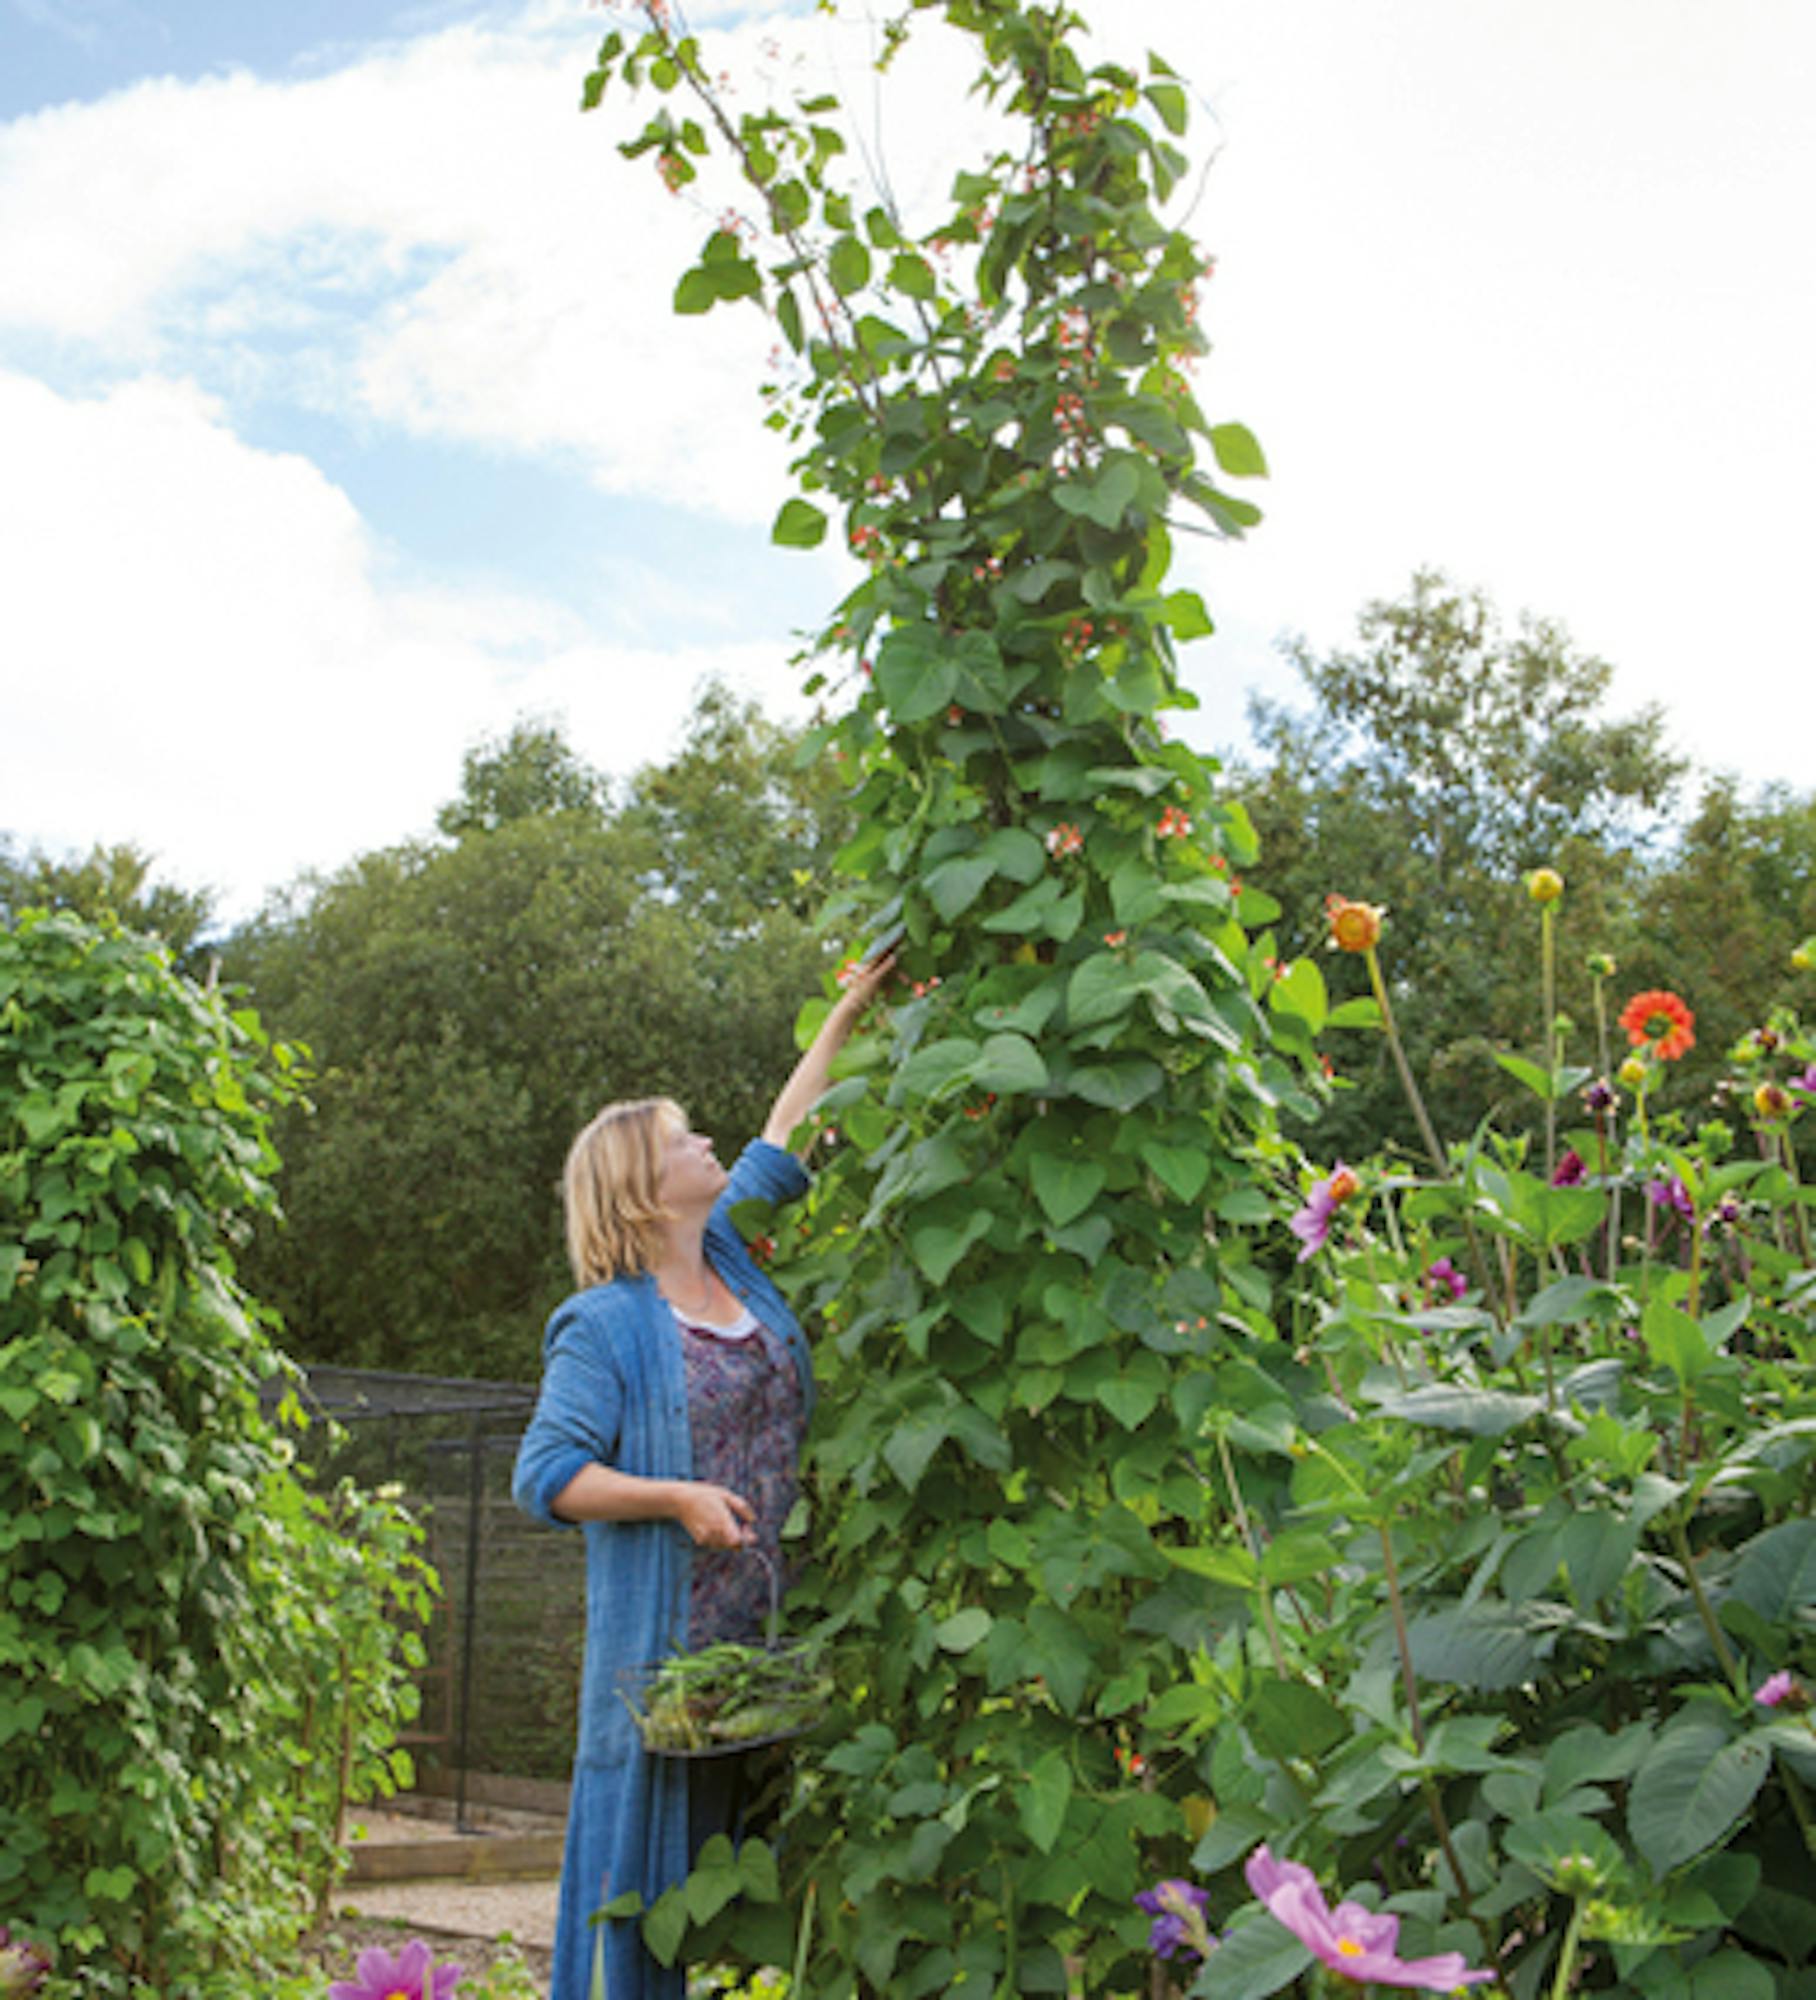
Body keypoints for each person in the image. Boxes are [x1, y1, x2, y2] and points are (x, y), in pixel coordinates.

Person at [512, 956, 891, 2000]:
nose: (708, 1142)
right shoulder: (604, 1324)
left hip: (773, 1643)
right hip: (670, 1667)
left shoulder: (731, 1256)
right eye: (685, 1137)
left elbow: (785, 1131)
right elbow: (545, 1474)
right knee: (650, 1901)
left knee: (767, 1906)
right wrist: (673, 1496)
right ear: (640, 1183)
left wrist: (849, 1011)